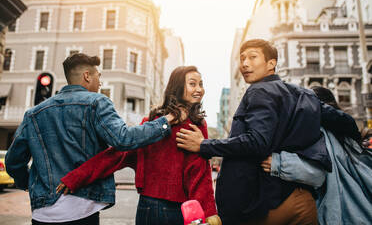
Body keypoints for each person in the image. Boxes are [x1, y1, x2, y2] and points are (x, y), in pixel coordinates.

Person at [176, 39, 356, 225]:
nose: (244, 63)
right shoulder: (302, 94)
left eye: (252, 57)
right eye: (242, 58)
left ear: (271, 63)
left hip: (266, 207)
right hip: (303, 201)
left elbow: (257, 142)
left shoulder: (259, 90)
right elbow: (347, 122)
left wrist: (204, 145)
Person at [5, 53, 177, 225]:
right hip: (81, 209)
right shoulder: (97, 102)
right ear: (87, 76)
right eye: (98, 76)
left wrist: (28, 183)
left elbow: (13, 161)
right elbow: (123, 139)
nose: (100, 82)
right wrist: (164, 123)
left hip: (42, 213)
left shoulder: (34, 114)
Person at [56, 66, 220, 225]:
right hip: (177, 209)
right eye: (192, 84)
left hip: (146, 208)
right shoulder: (195, 125)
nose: (199, 89)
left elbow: (116, 156)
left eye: (201, 84)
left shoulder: (151, 121)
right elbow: (199, 174)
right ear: (178, 87)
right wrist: (209, 213)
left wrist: (76, 177)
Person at [261, 86, 372, 225]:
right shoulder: (342, 131)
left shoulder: (320, 131)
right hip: (362, 210)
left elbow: (317, 173)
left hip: (343, 214)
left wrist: (278, 163)